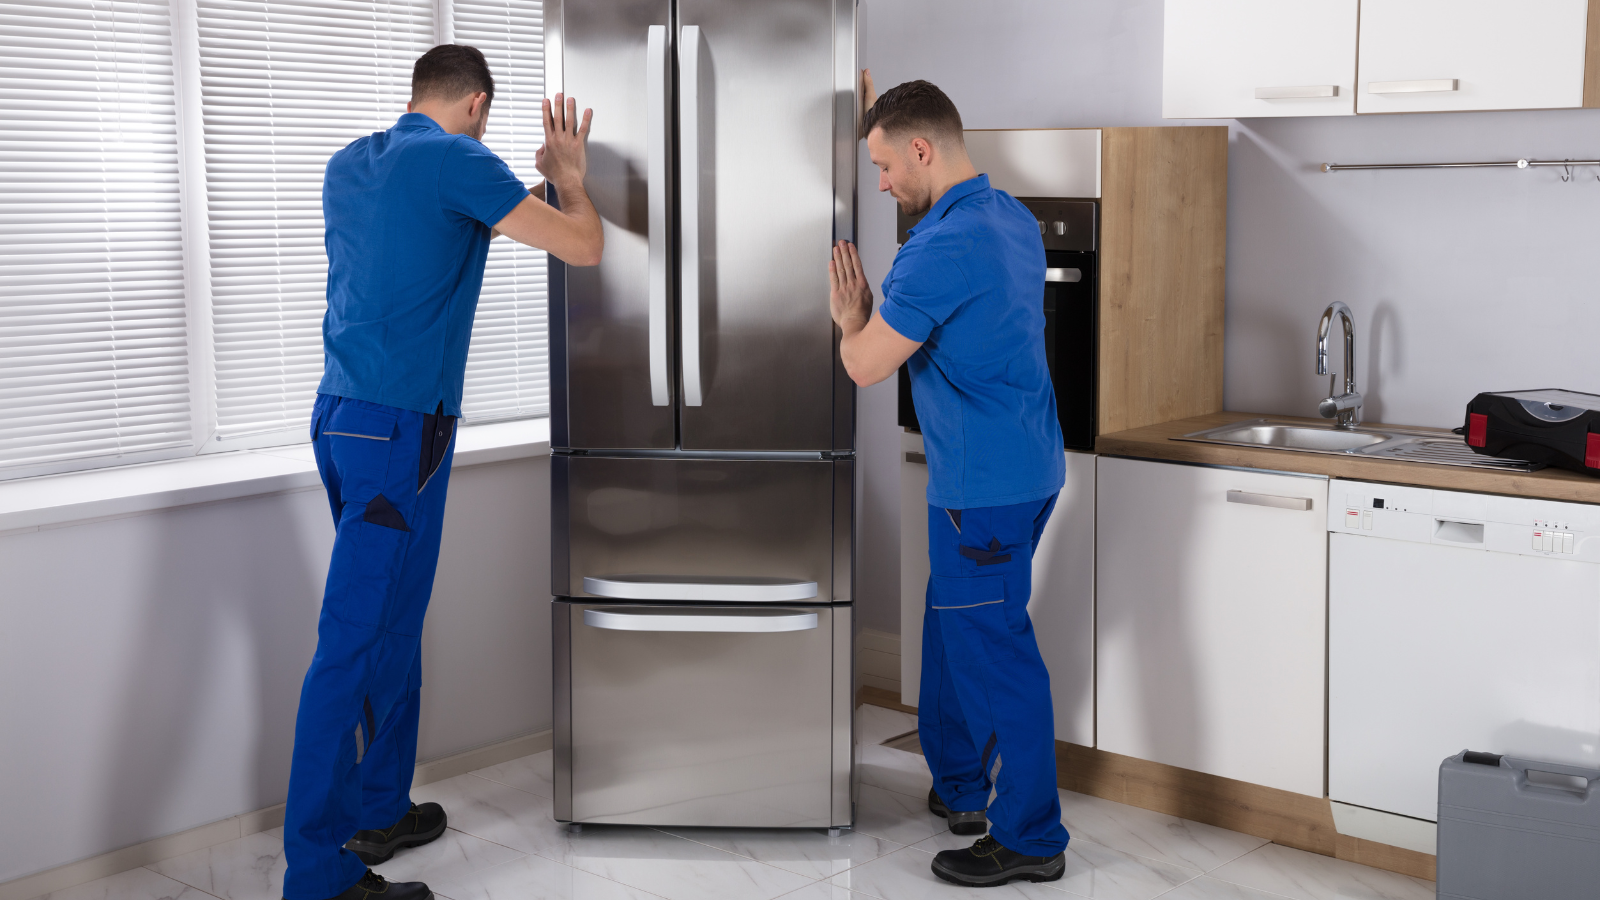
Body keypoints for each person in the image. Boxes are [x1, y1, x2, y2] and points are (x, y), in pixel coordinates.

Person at [280, 44, 601, 900]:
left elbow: (430, 232)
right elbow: (584, 245)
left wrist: (520, 192)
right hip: (399, 432)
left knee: (391, 619)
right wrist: (569, 174)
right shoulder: (460, 158)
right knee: (350, 644)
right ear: (478, 104)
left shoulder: (353, 163)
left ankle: (378, 806)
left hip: (342, 417)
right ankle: (315, 874)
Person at [827, 74, 1070, 888]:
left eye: (887, 166)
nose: (884, 183)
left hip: (982, 490)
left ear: (922, 150)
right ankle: (962, 785)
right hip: (1028, 469)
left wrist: (852, 317)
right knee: (952, 624)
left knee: (994, 654)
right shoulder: (1011, 218)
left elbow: (864, 366)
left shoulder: (938, 248)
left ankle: (1031, 838)